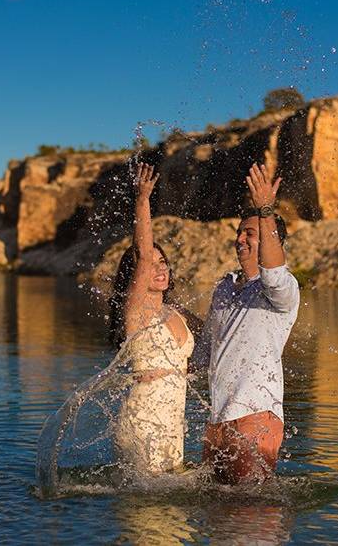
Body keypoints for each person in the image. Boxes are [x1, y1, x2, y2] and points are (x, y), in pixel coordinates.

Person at [194, 163, 300, 484]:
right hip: (218, 421)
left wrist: (265, 210)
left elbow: (274, 273)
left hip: (256, 415)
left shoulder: (282, 291)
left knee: (253, 515)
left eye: (249, 233)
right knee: (216, 513)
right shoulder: (224, 288)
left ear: (272, 242)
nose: (240, 239)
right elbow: (205, 352)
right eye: (239, 232)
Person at [108, 162, 195, 476]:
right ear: (135, 275)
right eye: (150, 264)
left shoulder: (176, 314)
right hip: (143, 419)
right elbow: (142, 254)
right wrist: (142, 200)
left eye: (164, 262)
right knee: (147, 517)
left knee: (174, 520)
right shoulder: (136, 311)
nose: (159, 268)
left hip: (173, 420)